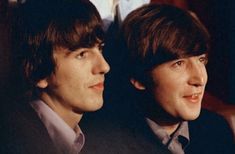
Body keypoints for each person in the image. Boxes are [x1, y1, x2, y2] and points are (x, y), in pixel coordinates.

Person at [121, 4, 235, 154]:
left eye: (201, 60)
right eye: (179, 63)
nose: (200, 79)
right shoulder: (105, 143)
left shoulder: (217, 129)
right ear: (139, 78)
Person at [0, 0, 110, 154]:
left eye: (100, 48)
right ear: (38, 71)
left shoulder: (96, 138)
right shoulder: (16, 142)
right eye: (82, 54)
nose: (104, 66)